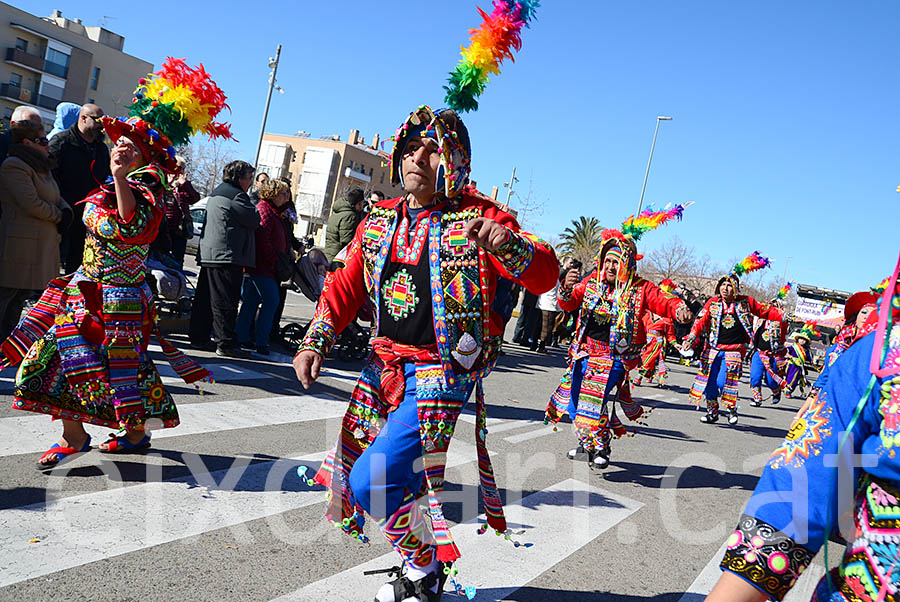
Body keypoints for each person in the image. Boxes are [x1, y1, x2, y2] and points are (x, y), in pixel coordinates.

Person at [293, 106, 558, 601]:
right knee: (376, 477)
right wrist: (316, 339)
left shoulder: (481, 217)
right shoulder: (378, 222)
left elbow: (545, 273)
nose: (418, 156)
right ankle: (424, 572)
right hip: (383, 369)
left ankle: (423, 570)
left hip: (440, 373)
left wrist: (509, 246)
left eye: (433, 148)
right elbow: (343, 288)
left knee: (373, 478)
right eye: (411, 146)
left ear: (454, 160)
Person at [0, 57, 229, 469]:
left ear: (148, 152)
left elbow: (130, 228)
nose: (120, 142)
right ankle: (79, 434)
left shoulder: (148, 185)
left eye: (131, 140)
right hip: (86, 289)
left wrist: (121, 177)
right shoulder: (115, 178)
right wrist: (117, 177)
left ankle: (126, 432)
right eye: (120, 136)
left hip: (118, 300)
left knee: (114, 367)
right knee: (58, 357)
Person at [704, 258, 900, 602]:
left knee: (738, 382)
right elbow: (802, 482)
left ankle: (737, 404)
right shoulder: (880, 356)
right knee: (719, 385)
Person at [545, 215, 692, 469]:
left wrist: (679, 308)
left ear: (628, 265)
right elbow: (568, 303)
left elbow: (664, 301)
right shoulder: (591, 283)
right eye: (608, 261)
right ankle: (586, 445)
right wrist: (566, 288)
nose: (611, 267)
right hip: (583, 353)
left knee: (595, 399)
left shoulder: (641, 288)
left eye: (618, 262)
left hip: (614, 359)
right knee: (576, 401)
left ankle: (601, 446)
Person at [682, 253, 783, 426]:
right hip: (712, 349)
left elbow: (765, 311)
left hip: (733, 351)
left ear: (735, 288)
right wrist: (691, 338)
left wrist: (781, 315)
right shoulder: (712, 303)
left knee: (724, 382)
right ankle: (712, 412)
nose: (725, 288)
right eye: (723, 285)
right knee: (709, 383)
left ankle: (731, 409)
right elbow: (700, 321)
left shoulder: (745, 303)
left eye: (729, 286)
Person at [0, 119, 70, 340]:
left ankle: (6, 347)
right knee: (6, 296)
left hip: (39, 245)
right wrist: (59, 215)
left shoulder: (42, 166)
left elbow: (56, 196)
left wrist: (66, 210)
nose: (47, 144)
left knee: (20, 298)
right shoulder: (14, 165)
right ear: (27, 142)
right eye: (42, 140)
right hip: (19, 245)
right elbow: (31, 203)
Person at [189, 160, 260, 357]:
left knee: (205, 299)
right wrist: (254, 201)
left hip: (210, 253)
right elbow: (254, 219)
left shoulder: (217, 192)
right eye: (249, 178)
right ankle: (226, 344)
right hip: (227, 255)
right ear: (239, 178)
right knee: (225, 301)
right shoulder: (237, 196)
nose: (250, 182)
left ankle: (199, 337)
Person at [48, 103, 111, 273]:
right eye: (98, 120)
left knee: (77, 261)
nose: (102, 125)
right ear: (84, 118)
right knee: (53, 259)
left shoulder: (102, 149)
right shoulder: (61, 142)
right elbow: (50, 175)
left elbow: (105, 176)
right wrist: (60, 203)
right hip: (63, 211)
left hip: (88, 214)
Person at [236, 178, 292, 355]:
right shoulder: (265, 210)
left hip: (262, 266)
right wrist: (274, 261)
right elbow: (262, 239)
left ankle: (244, 337)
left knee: (251, 302)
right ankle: (260, 340)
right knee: (271, 301)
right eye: (284, 193)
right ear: (273, 194)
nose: (287, 197)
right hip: (262, 266)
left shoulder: (274, 211)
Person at [632, 279, 679, 387]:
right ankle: (651, 375)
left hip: (658, 342)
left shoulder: (667, 319)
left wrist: (674, 343)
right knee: (645, 358)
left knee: (648, 360)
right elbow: (641, 326)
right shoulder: (647, 314)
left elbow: (670, 334)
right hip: (646, 340)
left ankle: (638, 378)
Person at [747, 298, 788, 407]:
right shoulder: (761, 319)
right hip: (759, 353)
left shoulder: (781, 323)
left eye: (774, 307)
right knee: (755, 377)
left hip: (773, 355)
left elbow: (784, 321)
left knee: (771, 381)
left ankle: (776, 391)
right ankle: (757, 399)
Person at [164, 155, 201, 269]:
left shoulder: (184, 185)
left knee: (177, 260)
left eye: (183, 168)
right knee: (162, 258)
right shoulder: (163, 179)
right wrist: (171, 185)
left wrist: (185, 184)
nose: (180, 171)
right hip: (164, 228)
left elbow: (195, 199)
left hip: (180, 230)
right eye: (179, 167)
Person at [324, 187, 365, 263]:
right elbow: (347, 242)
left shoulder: (338, 211)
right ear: (359, 203)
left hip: (329, 254)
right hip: (339, 258)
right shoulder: (350, 216)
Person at [783, 322, 816, 398]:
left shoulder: (807, 350)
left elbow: (810, 358)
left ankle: (789, 391)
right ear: (798, 339)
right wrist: (788, 355)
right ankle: (786, 389)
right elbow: (787, 350)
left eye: (804, 340)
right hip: (791, 365)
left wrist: (815, 359)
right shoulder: (794, 347)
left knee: (794, 380)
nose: (802, 341)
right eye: (801, 339)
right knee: (789, 378)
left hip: (799, 367)